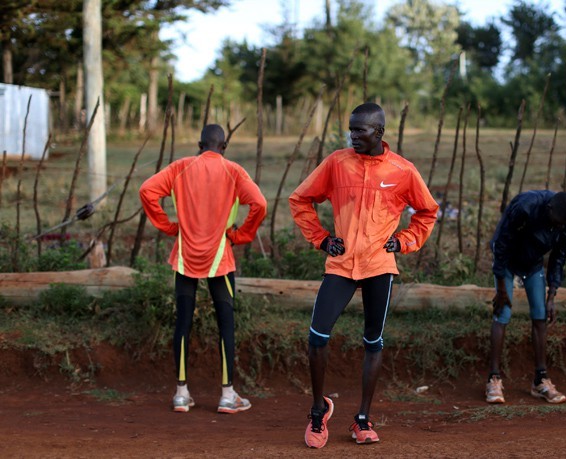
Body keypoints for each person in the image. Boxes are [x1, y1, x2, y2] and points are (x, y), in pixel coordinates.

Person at [289, 103, 438, 448]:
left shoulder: (402, 171)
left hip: (378, 266)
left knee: (373, 341)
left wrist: (403, 241)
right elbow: (300, 200)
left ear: (380, 132)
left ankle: (362, 419)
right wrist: (323, 239)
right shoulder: (337, 163)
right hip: (341, 265)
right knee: (317, 337)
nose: (353, 136)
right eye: (351, 130)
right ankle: (317, 410)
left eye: (361, 130)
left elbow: (427, 212)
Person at [139, 124, 267, 414]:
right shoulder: (233, 171)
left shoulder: (180, 167)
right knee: (226, 325)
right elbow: (259, 203)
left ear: (199, 144)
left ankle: (181, 394)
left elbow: (147, 191)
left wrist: (169, 227)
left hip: (185, 257)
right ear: (224, 146)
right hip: (220, 257)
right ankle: (227, 395)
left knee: (182, 323)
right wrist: (241, 235)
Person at [485, 190, 566, 405]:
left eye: (563, 225)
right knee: (503, 312)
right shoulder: (525, 207)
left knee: (540, 315)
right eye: (557, 223)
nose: (560, 228)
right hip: (508, 261)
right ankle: (494, 378)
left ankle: (540, 380)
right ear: (549, 210)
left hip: (533, 264)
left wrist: (552, 294)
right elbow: (502, 243)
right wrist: (501, 287)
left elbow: (559, 255)